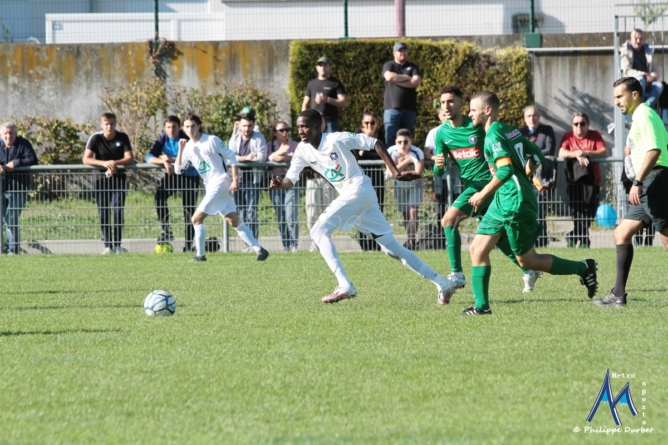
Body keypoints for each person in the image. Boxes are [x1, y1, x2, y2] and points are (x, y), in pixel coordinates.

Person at [269, 109, 455, 304]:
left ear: (318, 126)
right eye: (298, 126)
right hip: (356, 196)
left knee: (318, 230)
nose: (300, 130)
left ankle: (345, 285)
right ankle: (442, 282)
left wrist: (395, 172)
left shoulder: (336, 139)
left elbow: (375, 142)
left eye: (305, 126)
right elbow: (291, 178)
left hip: (358, 188)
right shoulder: (302, 150)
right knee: (391, 248)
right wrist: (280, 183)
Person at [464, 91, 598, 315]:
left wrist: (482, 194)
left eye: (472, 109)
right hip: (504, 200)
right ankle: (482, 307)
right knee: (477, 249)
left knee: (528, 260)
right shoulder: (510, 130)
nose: (469, 114)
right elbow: (537, 154)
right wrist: (527, 171)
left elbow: (505, 169)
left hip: (514, 202)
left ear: (487, 110)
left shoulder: (493, 136)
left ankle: (583, 267)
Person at [432, 86, 541, 295]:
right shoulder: (442, 133)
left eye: (451, 101)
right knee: (495, 237)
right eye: (443, 102)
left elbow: (500, 141)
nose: (446, 106)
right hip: (473, 188)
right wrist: (438, 164)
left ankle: (456, 274)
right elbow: (439, 171)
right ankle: (528, 269)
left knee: (448, 220)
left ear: (461, 103)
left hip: (486, 184)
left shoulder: (476, 125)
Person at [594, 78, 668, 307]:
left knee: (666, 238)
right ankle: (618, 294)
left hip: (653, 180)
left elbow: (654, 151)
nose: (616, 101)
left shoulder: (644, 114)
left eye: (619, 96)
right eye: (615, 97)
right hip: (647, 182)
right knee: (621, 233)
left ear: (634, 95)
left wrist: (637, 181)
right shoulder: (638, 117)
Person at [175, 114, 269, 262]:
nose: (190, 129)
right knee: (233, 220)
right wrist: (180, 150)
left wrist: (235, 179)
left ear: (198, 125)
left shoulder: (211, 140)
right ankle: (260, 250)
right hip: (210, 185)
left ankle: (200, 255)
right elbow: (178, 170)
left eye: (193, 126)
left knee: (196, 218)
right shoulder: (187, 147)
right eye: (187, 126)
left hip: (220, 182)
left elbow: (231, 157)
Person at [83, 113, 135, 254]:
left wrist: (114, 164)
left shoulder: (122, 137)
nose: (109, 127)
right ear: (101, 125)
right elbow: (86, 159)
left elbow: (129, 157)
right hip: (101, 180)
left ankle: (118, 245)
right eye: (106, 124)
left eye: (111, 123)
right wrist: (104, 164)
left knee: (118, 210)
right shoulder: (95, 138)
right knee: (104, 212)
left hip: (118, 180)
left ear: (115, 124)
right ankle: (107, 246)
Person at [146, 115, 199, 252]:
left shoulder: (186, 137)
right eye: (168, 127)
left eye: (174, 127)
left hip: (189, 177)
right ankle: (166, 230)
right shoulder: (163, 138)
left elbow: (191, 158)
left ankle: (188, 245)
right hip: (173, 175)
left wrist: (170, 159)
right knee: (159, 197)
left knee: (189, 210)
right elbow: (149, 158)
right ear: (164, 128)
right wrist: (164, 162)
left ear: (179, 127)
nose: (171, 130)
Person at [558, 112, 608, 248]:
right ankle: (584, 241)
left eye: (582, 123)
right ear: (572, 125)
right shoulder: (568, 136)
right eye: (576, 124)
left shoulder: (595, 135)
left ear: (588, 124)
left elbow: (604, 151)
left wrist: (585, 152)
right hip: (574, 181)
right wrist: (575, 154)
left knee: (590, 210)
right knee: (578, 211)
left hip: (593, 181)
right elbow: (561, 153)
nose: (579, 126)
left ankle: (573, 235)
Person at [228, 107, 267, 244]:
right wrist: (247, 158)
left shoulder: (259, 138)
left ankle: (254, 242)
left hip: (253, 181)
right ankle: (247, 243)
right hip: (237, 180)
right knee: (241, 213)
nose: (247, 129)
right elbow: (229, 157)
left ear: (253, 125)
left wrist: (239, 158)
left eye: (250, 126)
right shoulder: (235, 138)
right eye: (244, 126)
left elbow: (262, 157)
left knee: (251, 213)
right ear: (239, 125)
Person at [519, 105, 556, 247]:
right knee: (523, 211)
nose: (532, 118)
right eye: (529, 116)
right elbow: (518, 151)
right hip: (524, 176)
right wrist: (535, 154)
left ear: (539, 117)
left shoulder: (547, 131)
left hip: (541, 178)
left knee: (539, 210)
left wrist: (530, 153)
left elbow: (549, 149)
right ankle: (526, 240)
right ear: (524, 118)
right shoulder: (520, 133)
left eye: (534, 115)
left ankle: (541, 240)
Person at [0, 122, 38, 254]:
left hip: (18, 188)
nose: (8, 136)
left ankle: (13, 249)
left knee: (11, 218)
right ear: (1, 134)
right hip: (1, 188)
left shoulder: (23, 144)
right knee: (2, 218)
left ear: (16, 133)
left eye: (11, 133)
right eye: (5, 133)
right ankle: (2, 247)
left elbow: (32, 159)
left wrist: (15, 163)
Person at [355, 107, 386, 251]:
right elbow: (355, 156)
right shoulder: (357, 137)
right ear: (362, 124)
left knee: (377, 209)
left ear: (377, 123)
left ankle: (377, 244)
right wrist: (371, 152)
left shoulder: (381, 136)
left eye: (372, 123)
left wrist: (365, 152)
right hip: (361, 178)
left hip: (377, 177)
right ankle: (364, 245)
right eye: (366, 123)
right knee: (361, 211)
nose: (369, 126)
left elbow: (384, 155)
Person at [387, 129, 424, 250]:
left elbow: (418, 174)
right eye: (400, 142)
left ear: (410, 141)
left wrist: (400, 166)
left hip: (415, 185)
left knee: (413, 212)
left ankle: (412, 242)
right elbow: (390, 173)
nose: (403, 145)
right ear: (396, 142)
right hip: (400, 185)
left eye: (406, 142)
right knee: (405, 214)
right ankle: (409, 239)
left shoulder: (417, 152)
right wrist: (408, 163)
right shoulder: (391, 151)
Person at [304, 115, 337, 253]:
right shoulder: (306, 141)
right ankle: (314, 240)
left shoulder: (332, 140)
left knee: (328, 213)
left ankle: (326, 239)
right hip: (312, 180)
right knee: (312, 213)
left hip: (329, 181)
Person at [383, 41, 422, 148]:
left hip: (409, 109)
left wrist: (397, 79)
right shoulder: (389, 65)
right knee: (391, 137)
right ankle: (391, 162)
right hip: (392, 108)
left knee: (406, 137)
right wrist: (408, 77)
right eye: (400, 51)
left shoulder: (413, 67)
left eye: (404, 50)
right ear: (394, 53)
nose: (402, 53)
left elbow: (416, 82)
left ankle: (406, 162)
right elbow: (389, 77)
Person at [267, 121, 299, 252]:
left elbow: (298, 159)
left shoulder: (295, 145)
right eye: (282, 130)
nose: (285, 132)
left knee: (291, 214)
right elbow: (267, 158)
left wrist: (282, 157)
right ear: (275, 132)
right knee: (281, 215)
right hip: (275, 183)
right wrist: (280, 153)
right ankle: (286, 245)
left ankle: (294, 244)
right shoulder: (271, 145)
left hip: (291, 182)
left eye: (287, 129)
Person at [302, 57, 349, 133]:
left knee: (331, 144)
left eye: (325, 65)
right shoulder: (311, 84)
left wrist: (327, 100)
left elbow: (345, 103)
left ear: (330, 68)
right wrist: (305, 121)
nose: (322, 68)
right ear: (317, 68)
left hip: (330, 122)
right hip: (314, 122)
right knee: (315, 144)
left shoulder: (335, 83)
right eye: (320, 65)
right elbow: (305, 104)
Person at [620, 28, 663, 110]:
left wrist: (652, 77)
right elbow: (626, 70)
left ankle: (645, 107)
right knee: (640, 80)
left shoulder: (647, 51)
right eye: (636, 38)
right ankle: (638, 106)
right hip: (632, 81)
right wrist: (644, 75)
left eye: (641, 38)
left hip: (647, 81)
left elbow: (655, 69)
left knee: (659, 85)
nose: (638, 41)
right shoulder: (625, 51)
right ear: (631, 38)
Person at [424, 107, 448, 220]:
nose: (446, 117)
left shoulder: (458, 131)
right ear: (439, 116)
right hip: (439, 175)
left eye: (447, 115)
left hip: (456, 175)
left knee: (457, 204)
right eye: (443, 115)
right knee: (439, 205)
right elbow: (426, 153)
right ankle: (440, 233)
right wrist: (437, 158)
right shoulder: (434, 132)